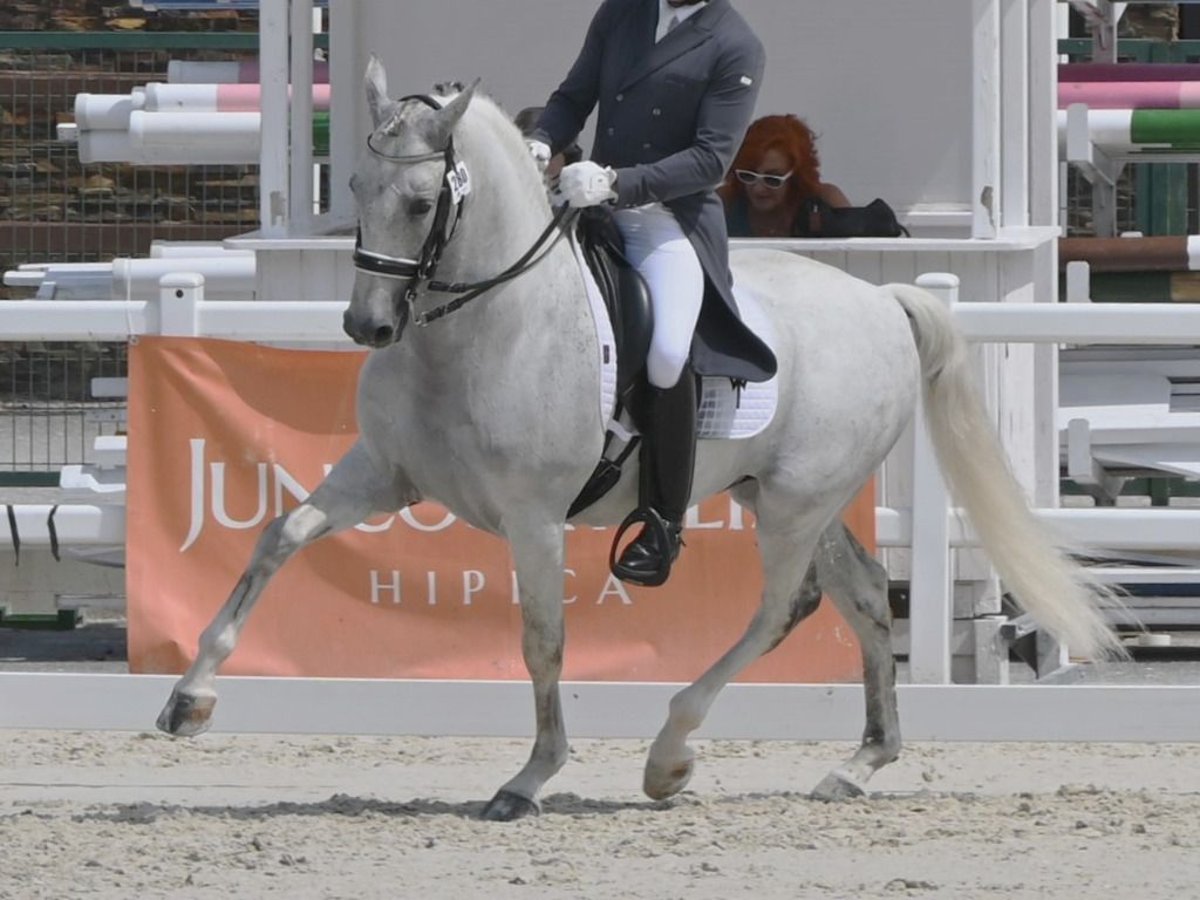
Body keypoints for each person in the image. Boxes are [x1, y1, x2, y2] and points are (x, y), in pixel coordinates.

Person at [528, 0, 775, 587]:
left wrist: (619, 182)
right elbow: (573, 96)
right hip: (590, 204)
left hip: (665, 219)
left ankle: (662, 523)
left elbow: (711, 158)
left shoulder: (735, 43)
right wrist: (540, 141)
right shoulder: (622, 12)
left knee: (667, 351)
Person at [720, 114, 851, 238]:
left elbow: (856, 253)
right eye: (748, 175)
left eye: (772, 179)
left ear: (796, 177)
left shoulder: (825, 200)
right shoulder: (724, 202)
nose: (758, 189)